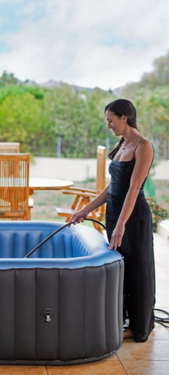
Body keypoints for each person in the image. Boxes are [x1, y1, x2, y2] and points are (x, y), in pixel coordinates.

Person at [69, 99, 155, 343]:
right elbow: (113, 187)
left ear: (124, 118)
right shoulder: (121, 146)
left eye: (111, 120)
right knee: (122, 267)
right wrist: (84, 210)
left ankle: (140, 326)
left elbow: (134, 188)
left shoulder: (143, 146)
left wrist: (121, 226)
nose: (109, 125)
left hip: (133, 217)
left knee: (138, 269)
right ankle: (127, 319)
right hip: (116, 213)